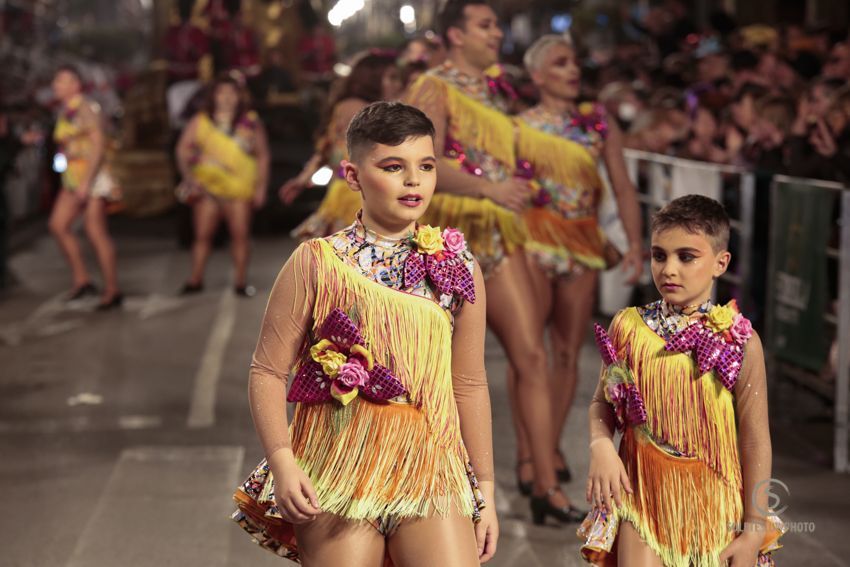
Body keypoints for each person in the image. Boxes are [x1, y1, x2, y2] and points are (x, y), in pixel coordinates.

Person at [232, 101, 498, 566]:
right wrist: (282, 460)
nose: (414, 181)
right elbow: (268, 370)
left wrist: (487, 491)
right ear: (352, 176)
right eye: (393, 167)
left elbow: (470, 384)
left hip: (431, 466)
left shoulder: (458, 267)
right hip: (335, 466)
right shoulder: (316, 261)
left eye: (426, 166)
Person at [405, 0, 579, 524]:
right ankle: (438, 487)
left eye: (497, 25)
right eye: (486, 26)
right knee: (437, 371)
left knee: (531, 356)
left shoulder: (497, 91)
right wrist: (492, 188)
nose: (498, 34)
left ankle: (544, 484)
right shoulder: (433, 87)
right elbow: (421, 161)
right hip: (451, 240)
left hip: (501, 236)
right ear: (455, 35)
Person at [580, 195, 785, 566]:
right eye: (659, 256)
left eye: (686, 257)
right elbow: (602, 403)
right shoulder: (628, 327)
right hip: (641, 497)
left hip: (714, 506)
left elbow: (755, 439)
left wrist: (753, 528)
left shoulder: (740, 341)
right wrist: (601, 445)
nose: (668, 269)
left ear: (721, 263)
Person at [510, 35, 643, 501]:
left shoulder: (598, 123)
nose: (572, 70)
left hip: (584, 242)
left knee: (567, 353)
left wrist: (635, 243)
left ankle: (544, 450)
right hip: (531, 241)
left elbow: (624, 187)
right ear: (538, 75)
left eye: (575, 62)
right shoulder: (516, 127)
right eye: (560, 63)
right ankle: (531, 455)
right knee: (528, 351)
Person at [280, 51, 402, 239]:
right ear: (372, 79)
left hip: (356, 192)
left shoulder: (353, 105)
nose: (398, 84)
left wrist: (303, 179)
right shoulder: (356, 107)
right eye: (391, 77)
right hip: (356, 196)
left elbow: (326, 150)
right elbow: (335, 151)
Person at [175, 73, 270, 296]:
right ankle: (195, 279)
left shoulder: (250, 122)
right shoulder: (201, 121)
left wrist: (261, 187)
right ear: (213, 97)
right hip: (208, 188)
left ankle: (240, 281)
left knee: (240, 234)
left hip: (239, 187)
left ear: (239, 97)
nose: (226, 98)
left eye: (231, 93)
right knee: (202, 234)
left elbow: (263, 155)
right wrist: (189, 177)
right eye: (221, 93)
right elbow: (182, 149)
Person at [48, 65, 123, 309]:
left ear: (76, 85)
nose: (56, 86)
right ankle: (82, 279)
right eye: (56, 81)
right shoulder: (65, 110)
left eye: (62, 80)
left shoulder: (86, 107)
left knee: (95, 231)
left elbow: (99, 145)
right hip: (72, 177)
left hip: (90, 178)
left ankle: (112, 289)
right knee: (58, 225)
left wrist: (87, 183)